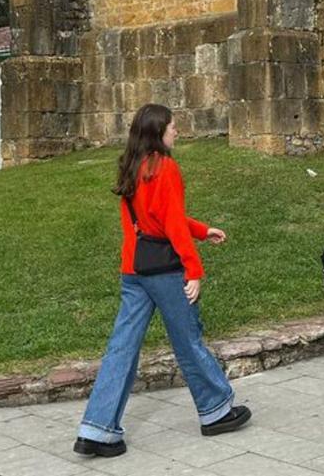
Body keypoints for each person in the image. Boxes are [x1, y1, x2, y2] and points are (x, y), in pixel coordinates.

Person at [74, 103, 251, 458]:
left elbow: (154, 217)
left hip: (133, 270)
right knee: (188, 341)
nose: (177, 131)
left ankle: (97, 429)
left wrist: (201, 230)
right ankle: (216, 410)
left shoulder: (132, 166)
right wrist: (194, 270)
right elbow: (169, 224)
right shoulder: (165, 167)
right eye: (172, 126)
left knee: (121, 348)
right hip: (165, 271)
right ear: (159, 132)